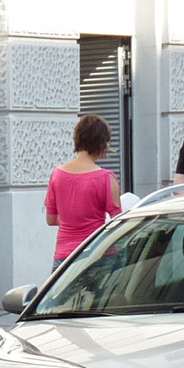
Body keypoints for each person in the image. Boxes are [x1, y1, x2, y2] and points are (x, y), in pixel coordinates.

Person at [45, 114, 122, 267]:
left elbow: (51, 219)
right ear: (102, 144)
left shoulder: (57, 175)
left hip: (64, 258)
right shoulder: (106, 178)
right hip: (98, 255)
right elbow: (117, 223)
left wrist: (73, 221)